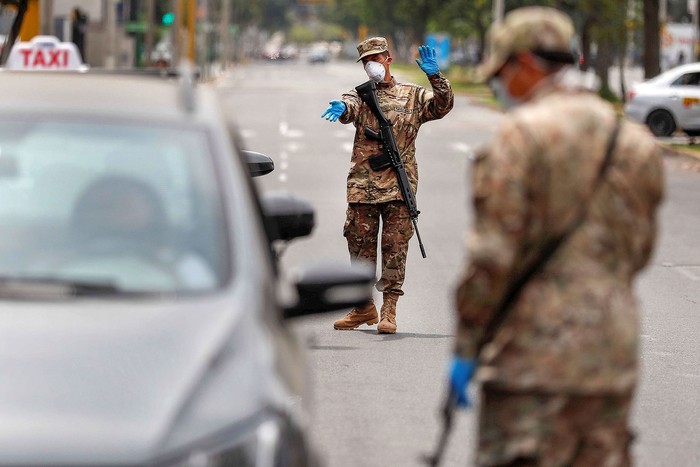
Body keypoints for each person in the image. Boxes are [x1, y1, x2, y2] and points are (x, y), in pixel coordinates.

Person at [447, 7, 664, 466]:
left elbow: (491, 258)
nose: (497, 85)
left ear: (526, 63)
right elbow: (639, 251)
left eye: (501, 72)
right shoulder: (634, 141)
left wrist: (467, 347)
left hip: (532, 360)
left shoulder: (519, 138)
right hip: (610, 356)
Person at [322, 37, 454, 333]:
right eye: (366, 61)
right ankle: (362, 307)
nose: (372, 65)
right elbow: (350, 108)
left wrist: (435, 76)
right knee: (358, 248)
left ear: (388, 59)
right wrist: (342, 107)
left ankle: (389, 311)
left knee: (395, 248)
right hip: (362, 188)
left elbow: (443, 106)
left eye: (376, 58)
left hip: (398, 188)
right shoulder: (360, 95)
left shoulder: (413, 95)